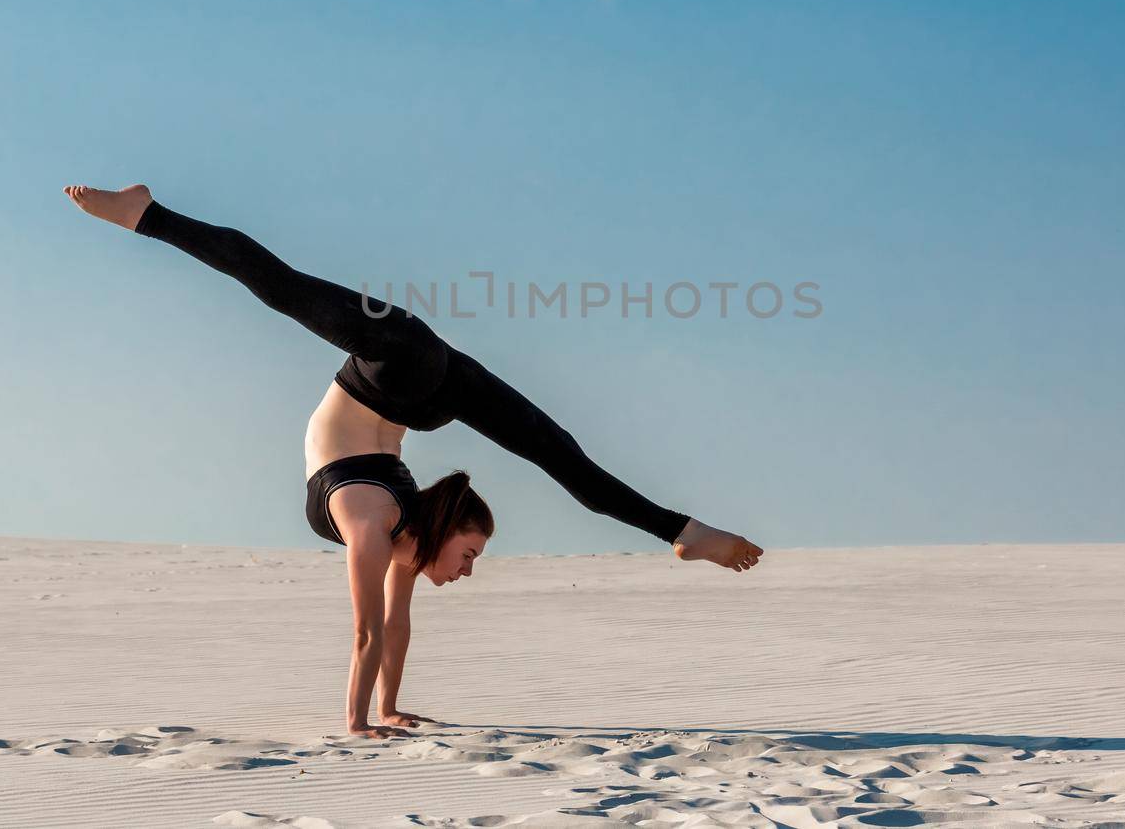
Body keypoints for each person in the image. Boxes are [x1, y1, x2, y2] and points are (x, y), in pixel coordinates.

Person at [63, 183, 764, 737]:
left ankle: (682, 530)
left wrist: (371, 716)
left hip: (412, 374)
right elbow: (379, 631)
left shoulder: (379, 527)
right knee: (282, 287)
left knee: (560, 456)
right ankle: (144, 212)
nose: (467, 569)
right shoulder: (391, 525)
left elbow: (376, 629)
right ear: (441, 529)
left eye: (471, 556)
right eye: (471, 553)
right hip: (407, 366)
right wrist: (368, 717)